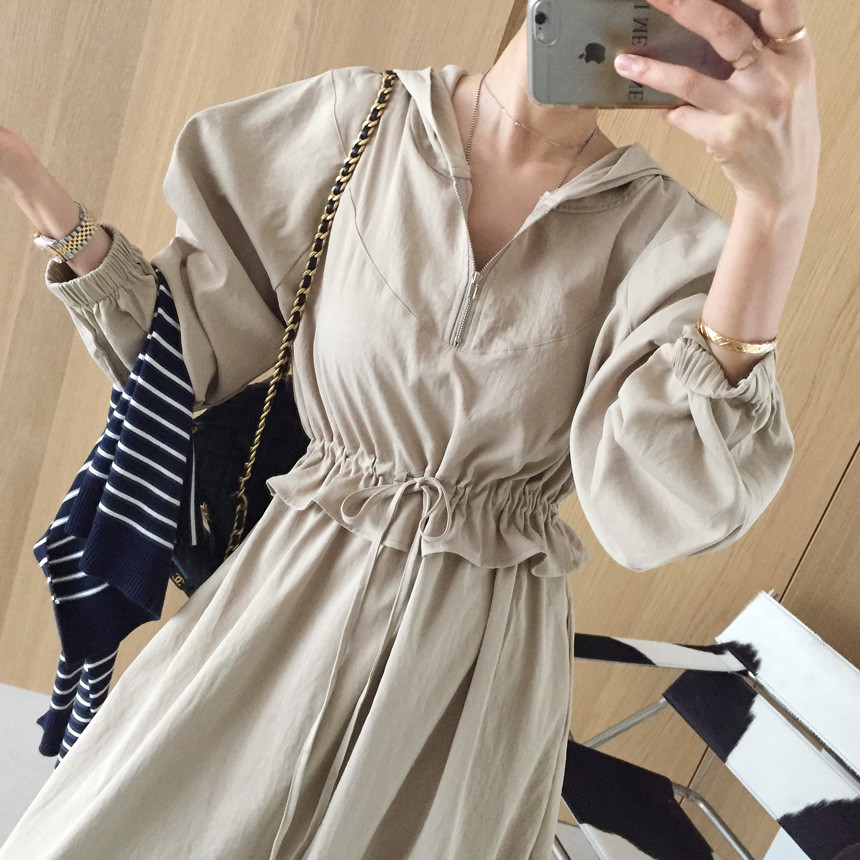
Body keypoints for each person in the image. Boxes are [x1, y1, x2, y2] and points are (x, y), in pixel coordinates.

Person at [0, 0, 817, 857]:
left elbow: (665, 503)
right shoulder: (358, 123)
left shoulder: (667, 241)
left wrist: (775, 210)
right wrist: (30, 183)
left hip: (469, 678)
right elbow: (184, 351)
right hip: (277, 612)